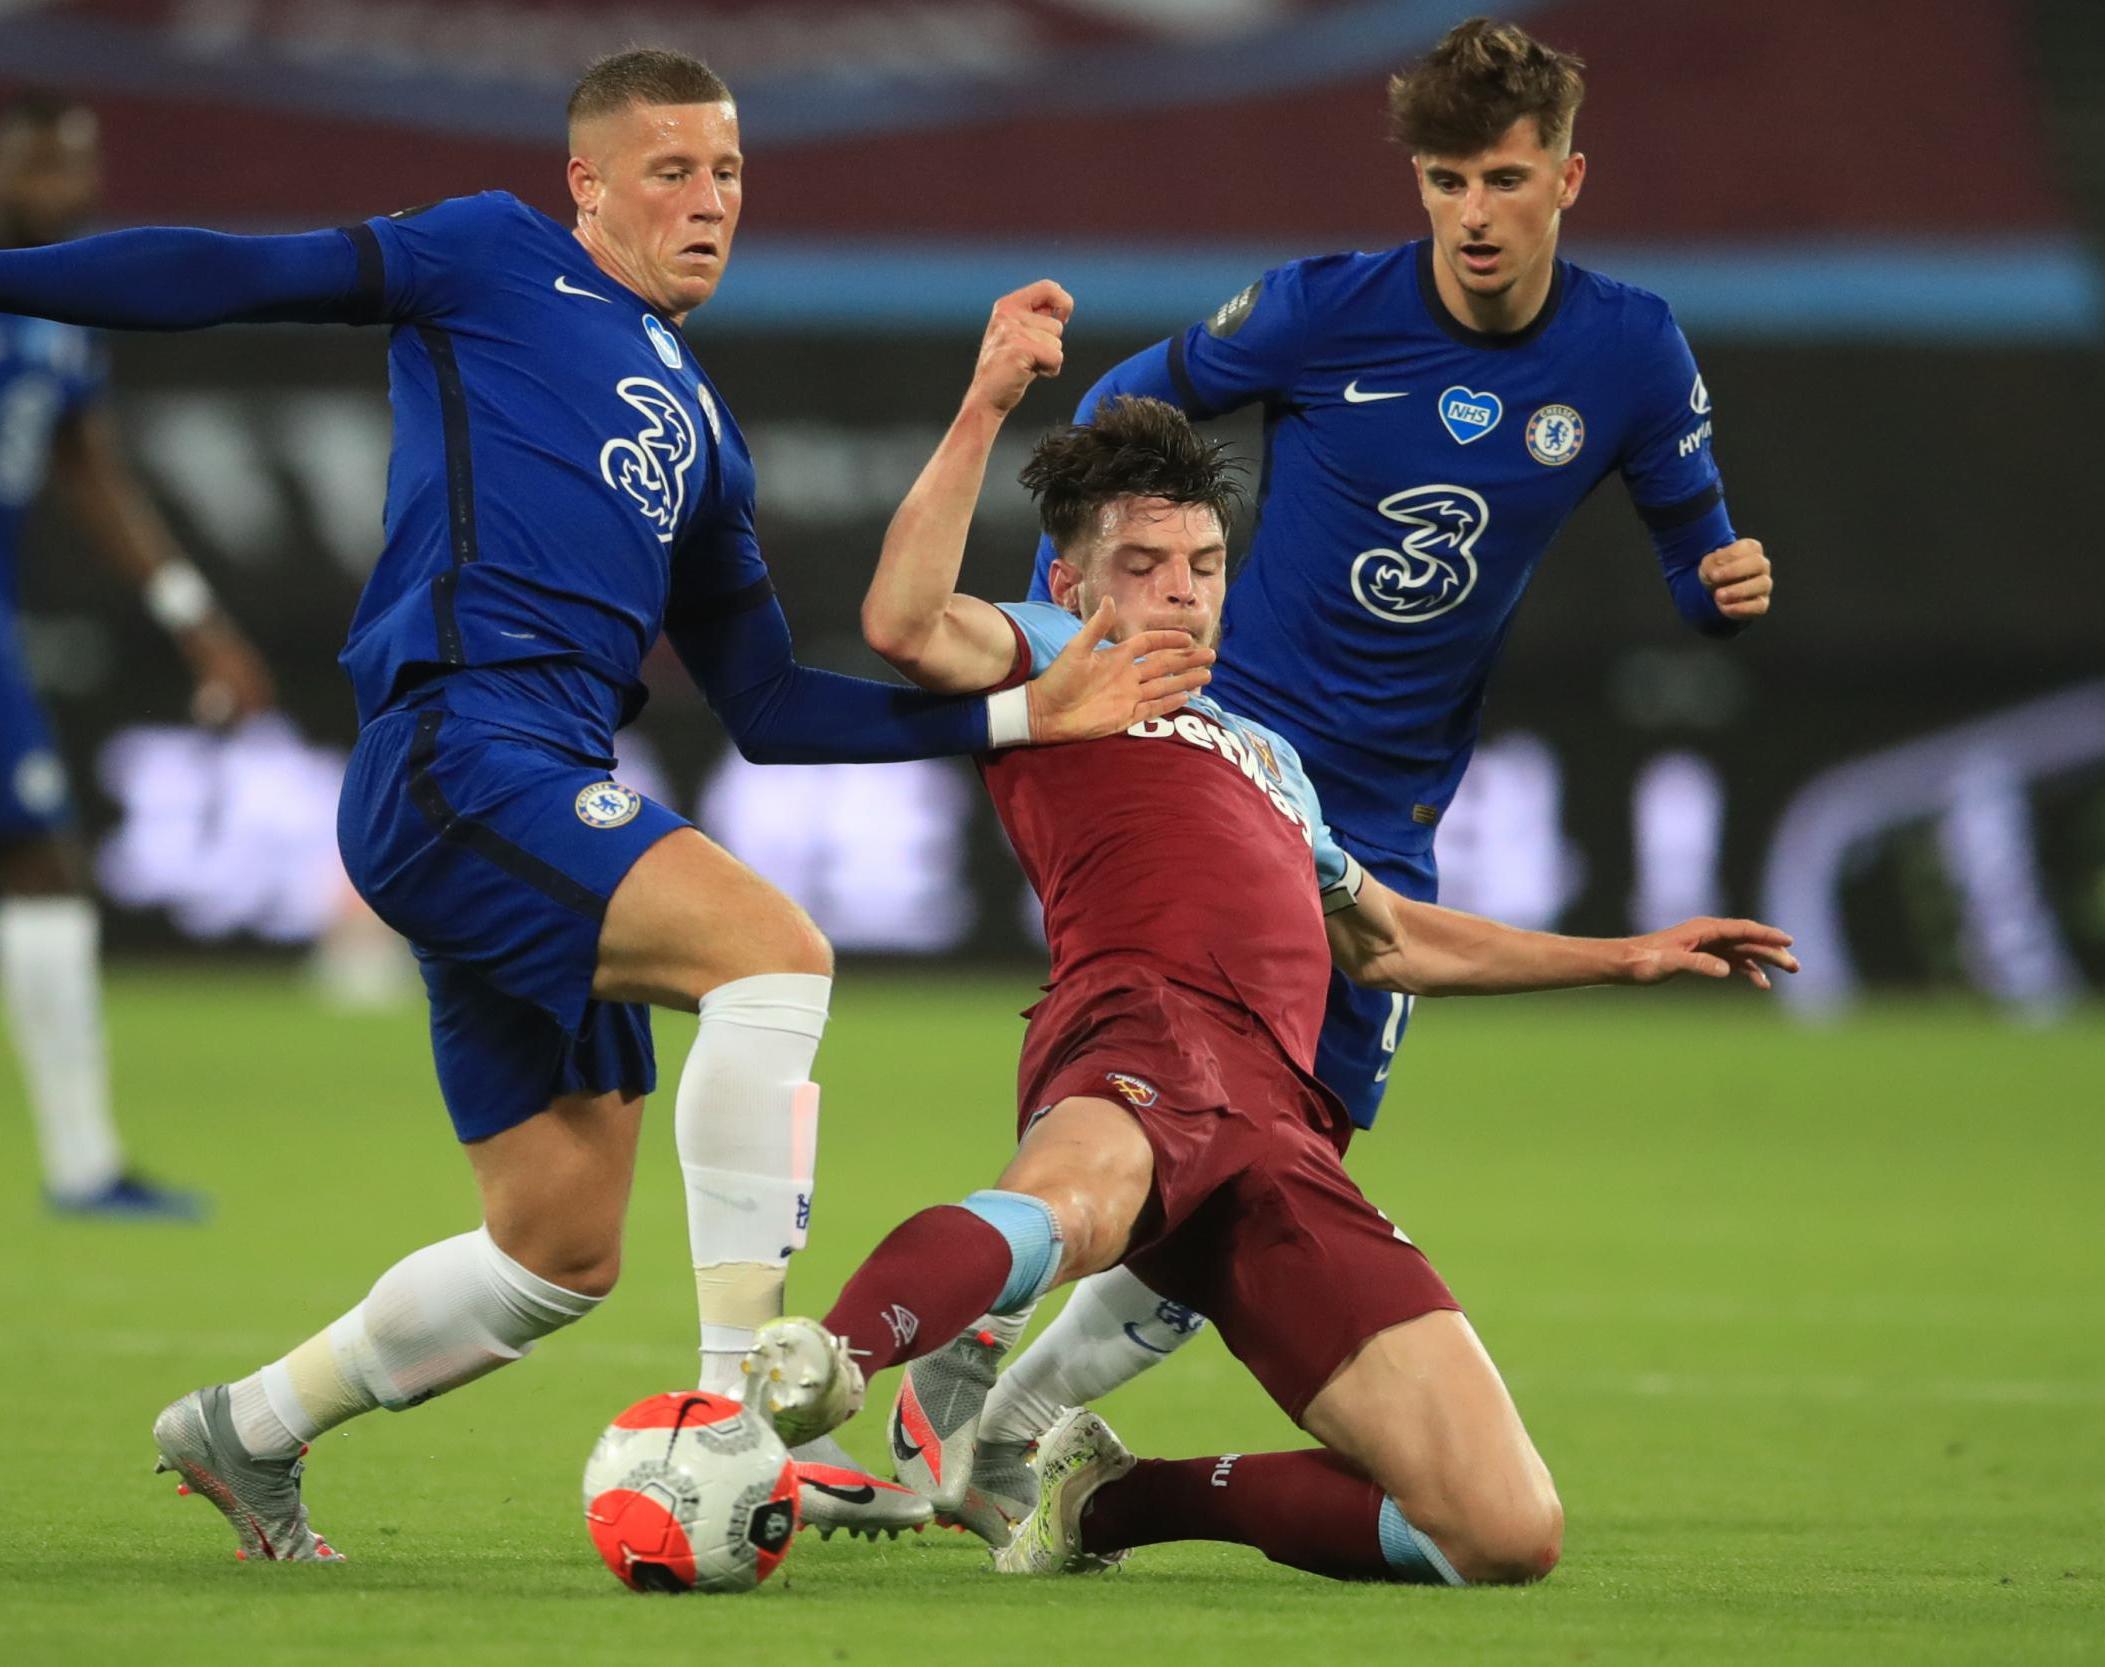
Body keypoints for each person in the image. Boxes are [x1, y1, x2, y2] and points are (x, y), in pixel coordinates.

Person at [0, 50, 1211, 1560]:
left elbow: (769, 708)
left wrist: (1020, 711)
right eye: (671, 172)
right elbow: (237, 272)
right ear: (585, 183)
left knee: (555, 1249)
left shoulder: (701, 427)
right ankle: (738, 1413)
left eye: (729, 177)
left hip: (547, 776)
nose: (708, 204)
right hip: (458, 746)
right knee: (773, 953)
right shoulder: (488, 255)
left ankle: (246, 1428)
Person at [726, 283, 1794, 1586]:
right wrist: (988, 400)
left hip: (1279, 1126)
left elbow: (1390, 941)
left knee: (1503, 1531)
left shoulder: (1270, 757)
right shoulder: (1055, 660)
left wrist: (1624, 954)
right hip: (1143, 1031)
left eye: (1204, 565)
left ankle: (1106, 1499)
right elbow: (902, 621)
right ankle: (830, 1357)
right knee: (1071, 1199)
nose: (1179, 593)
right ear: (1071, 581)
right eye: (1140, 566)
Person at [895, 14, 1782, 1529]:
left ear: (1568, 175)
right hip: (1222, 749)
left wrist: (1719, 580)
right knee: (1181, 1105)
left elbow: (1693, 537)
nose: (1474, 214)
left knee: (1279, 1155)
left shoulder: (1627, 350)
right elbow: (1130, 403)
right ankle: (962, 1394)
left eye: (1504, 178)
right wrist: (1116, 600)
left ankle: (1005, 1417)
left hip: (1387, 806)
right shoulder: (1321, 311)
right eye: (1445, 179)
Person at [0, 94, 275, 1219]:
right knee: (39, 865)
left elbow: (89, 469)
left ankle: (84, 1165)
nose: (74, 180)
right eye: (43, 155)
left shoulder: (61, 305)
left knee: (41, 865)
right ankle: (82, 1164)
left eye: (84, 156)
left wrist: (190, 611)